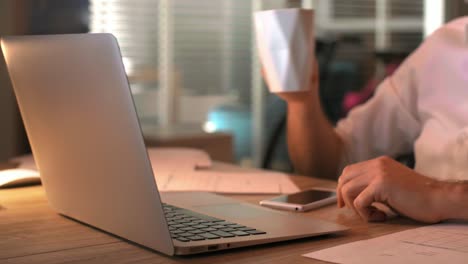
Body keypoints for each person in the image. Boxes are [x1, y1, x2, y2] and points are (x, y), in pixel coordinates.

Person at [269, 17, 468, 223]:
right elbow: (332, 165)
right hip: (417, 243)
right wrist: (302, 100)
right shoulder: (443, 46)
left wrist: (438, 195)